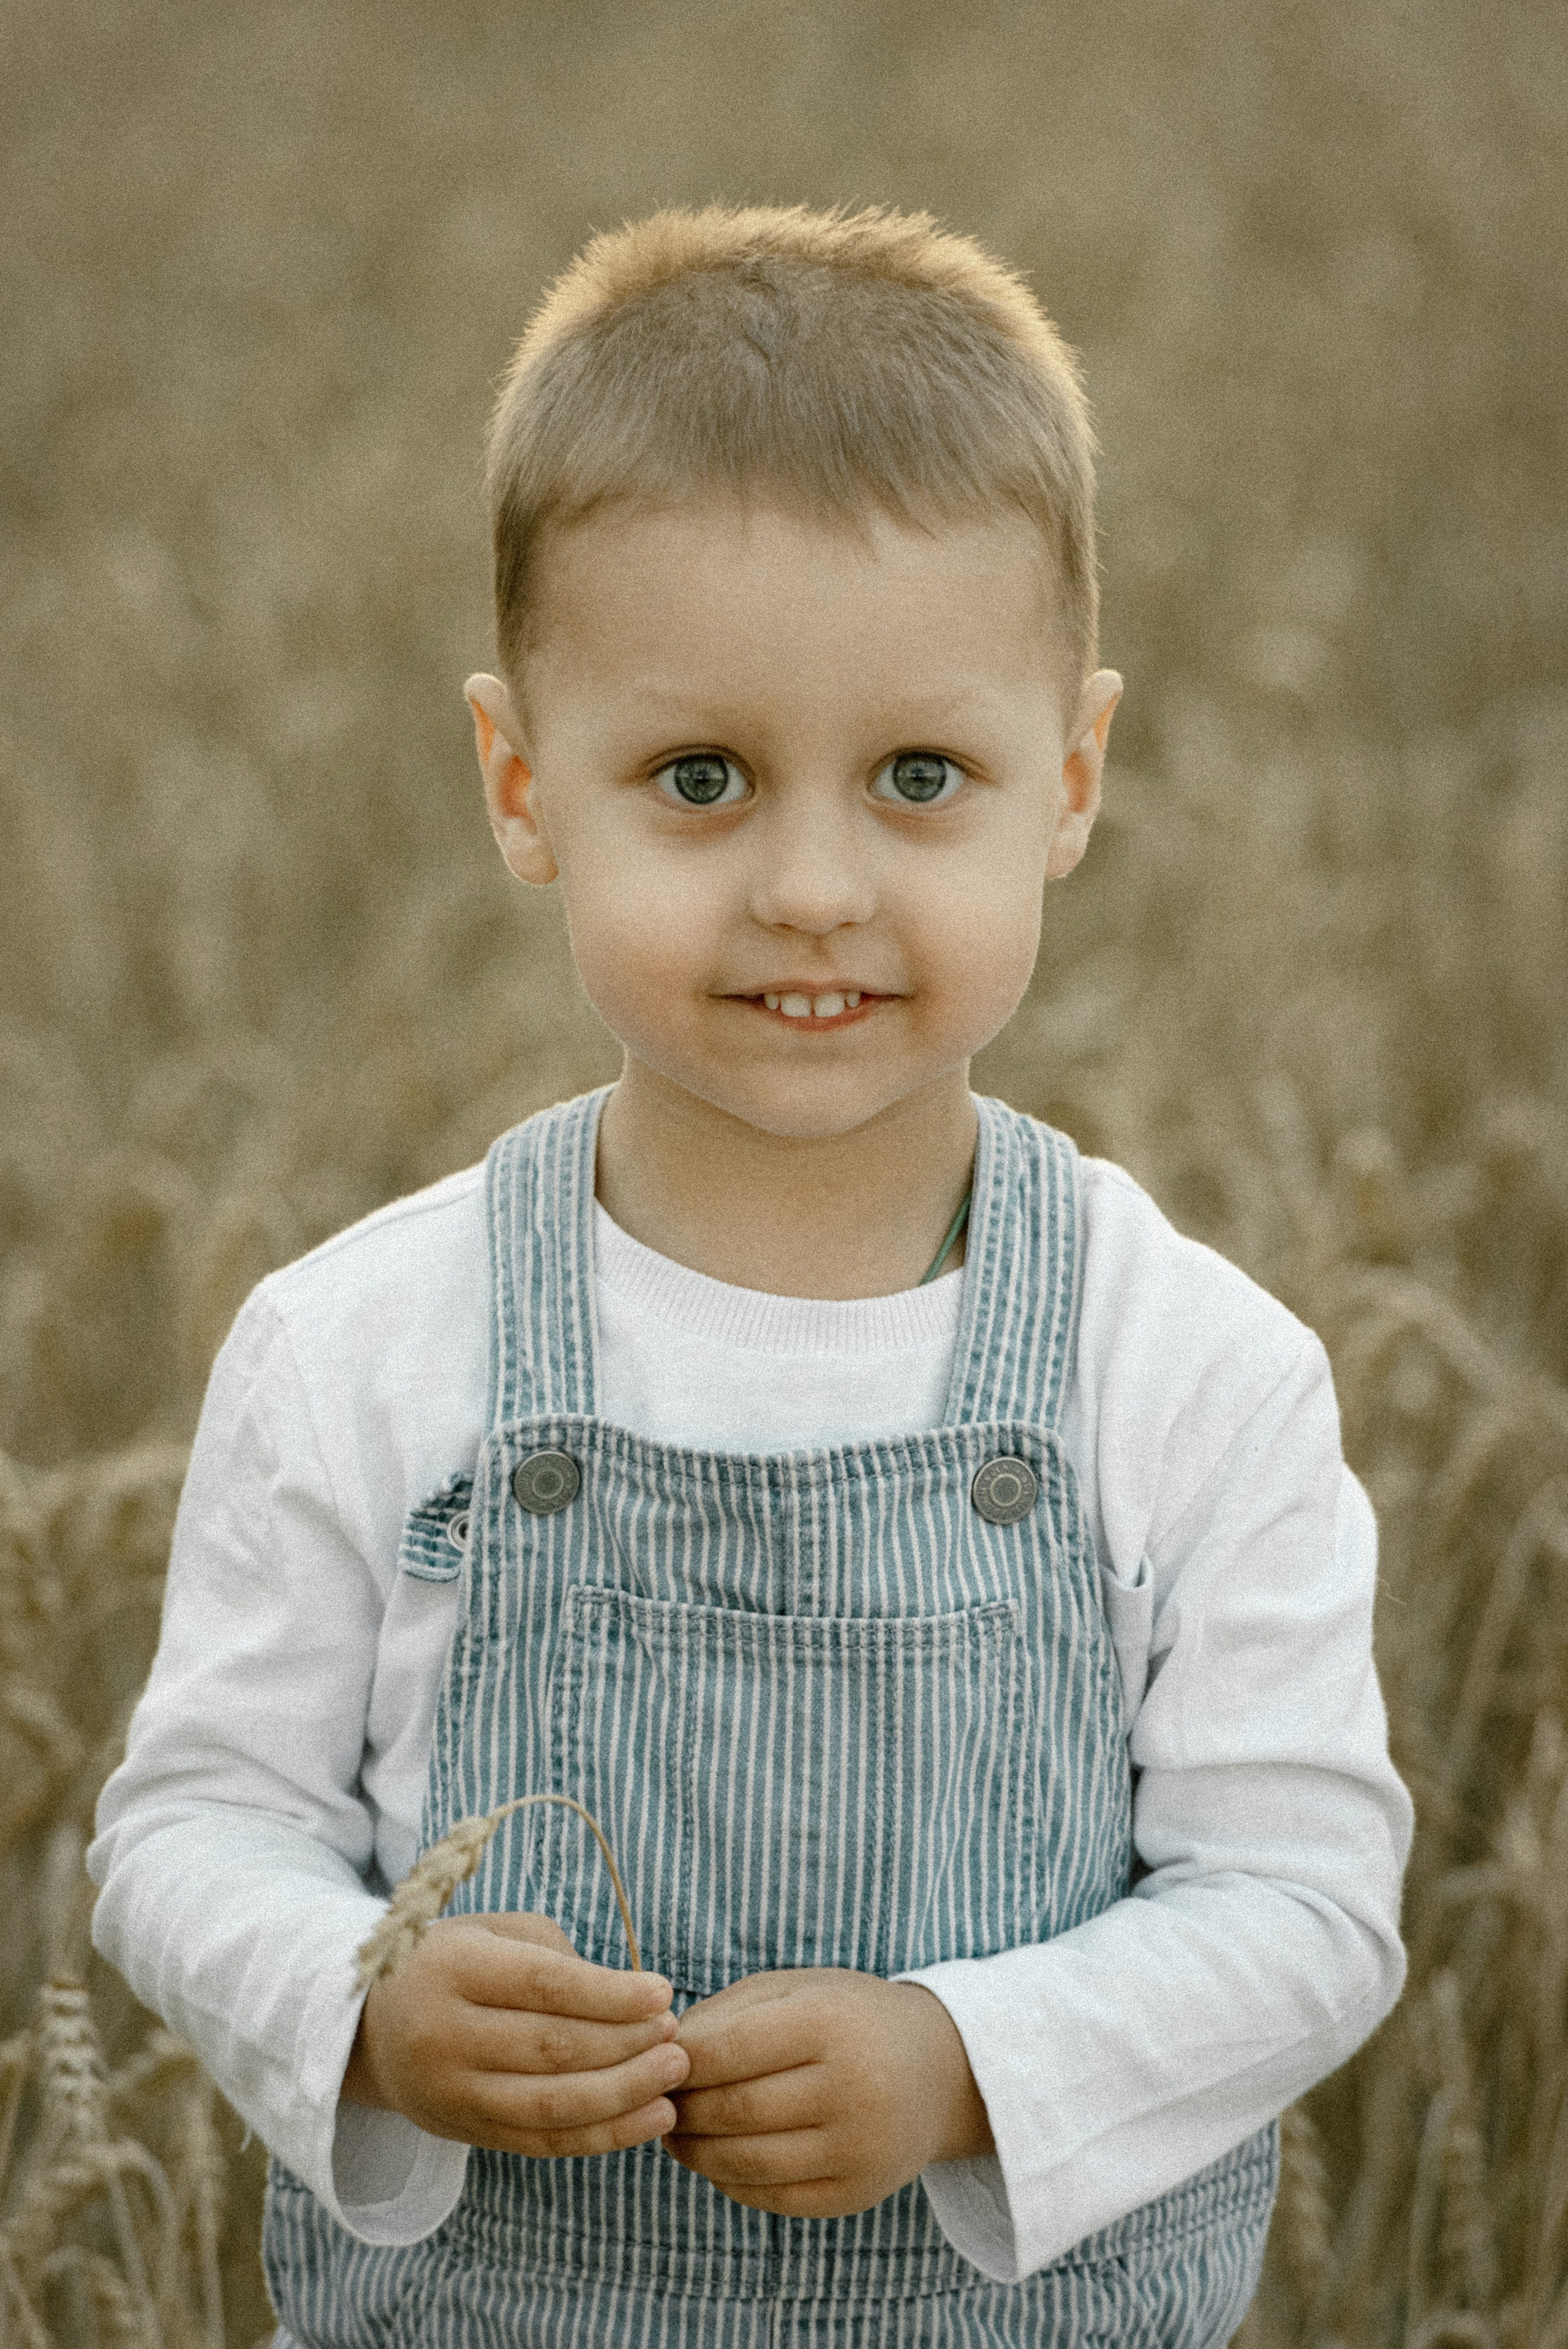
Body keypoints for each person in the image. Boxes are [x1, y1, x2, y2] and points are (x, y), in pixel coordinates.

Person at [89, 203, 1411, 2348]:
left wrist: (966, 2059)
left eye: (920, 777)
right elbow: (188, 1828)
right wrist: (369, 2003)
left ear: (1067, 780)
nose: (814, 885)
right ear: (525, 785)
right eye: (697, 779)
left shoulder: (1191, 1370)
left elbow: (1311, 1903)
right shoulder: (358, 1347)